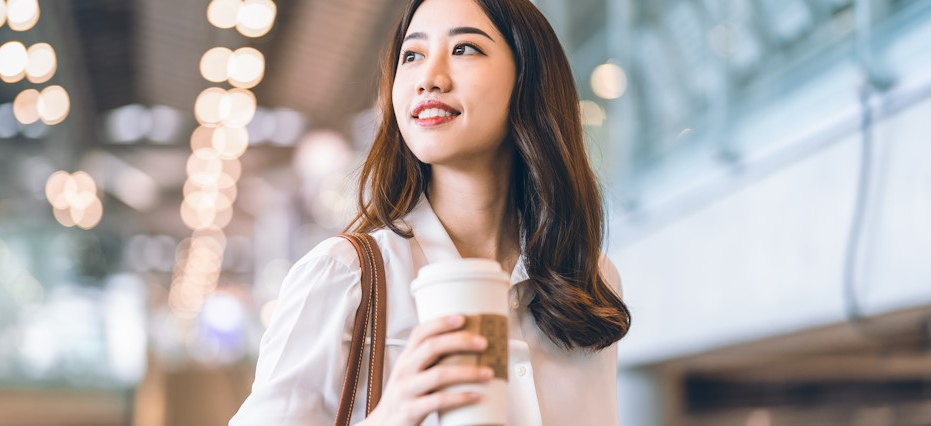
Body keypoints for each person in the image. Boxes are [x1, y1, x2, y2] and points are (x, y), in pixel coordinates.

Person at [231, 0, 631, 424]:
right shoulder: (345, 276)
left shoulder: (588, 282)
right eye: (412, 56)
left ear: (529, 77)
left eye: (464, 49)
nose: (429, 78)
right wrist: (392, 416)